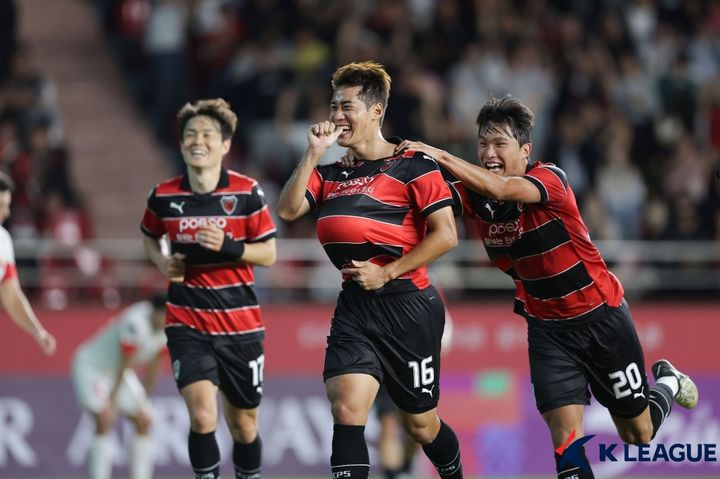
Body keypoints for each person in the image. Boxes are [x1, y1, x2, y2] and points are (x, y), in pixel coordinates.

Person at [394, 95, 699, 479]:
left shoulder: (551, 179)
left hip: (601, 317)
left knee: (638, 432)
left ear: (525, 150)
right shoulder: (474, 192)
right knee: (566, 445)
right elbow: (424, 192)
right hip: (548, 330)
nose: (489, 153)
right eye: (483, 144)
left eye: (499, 144)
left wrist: (437, 153)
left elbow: (503, 190)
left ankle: (668, 384)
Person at [277, 61, 464, 479]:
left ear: (376, 111)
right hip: (356, 308)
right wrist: (311, 153)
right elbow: (288, 209)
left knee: (420, 425)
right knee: (346, 405)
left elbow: (446, 236)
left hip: (409, 307)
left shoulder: (414, 165)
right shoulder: (329, 174)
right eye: (333, 106)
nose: (337, 115)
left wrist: (388, 271)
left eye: (347, 106)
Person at [141, 98, 277, 479]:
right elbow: (149, 236)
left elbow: (269, 254)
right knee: (202, 416)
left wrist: (229, 247)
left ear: (225, 144)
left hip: (241, 326)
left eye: (206, 134)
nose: (197, 140)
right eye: (189, 134)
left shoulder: (247, 192)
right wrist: (162, 261)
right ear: (182, 143)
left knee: (245, 426)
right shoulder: (164, 196)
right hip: (188, 322)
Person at [71, 293, 168, 479]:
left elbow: (156, 365)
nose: (165, 319)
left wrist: (145, 397)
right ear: (154, 311)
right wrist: (111, 401)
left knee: (144, 420)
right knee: (105, 418)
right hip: (92, 368)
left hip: (116, 372)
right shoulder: (135, 322)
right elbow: (125, 363)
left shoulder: (168, 327)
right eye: (163, 314)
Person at [0, 171, 56, 355]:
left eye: (7, 205)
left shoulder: (3, 241)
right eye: (0, 206)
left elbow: (11, 295)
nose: (6, 213)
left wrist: (37, 331)